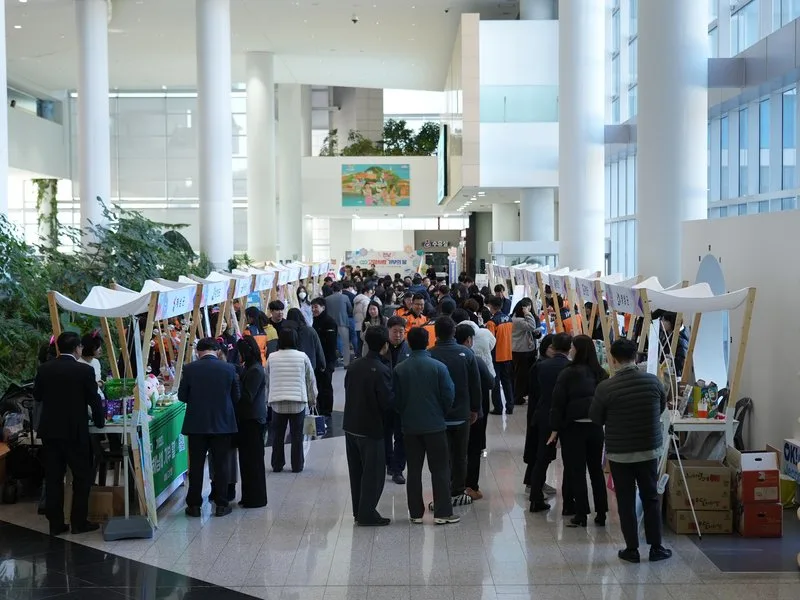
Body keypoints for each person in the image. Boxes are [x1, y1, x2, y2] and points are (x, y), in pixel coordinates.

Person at [590, 339, 671, 564]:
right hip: (648, 450)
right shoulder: (653, 382)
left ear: (613, 359)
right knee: (651, 497)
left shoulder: (605, 387)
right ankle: (656, 547)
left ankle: (632, 549)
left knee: (625, 500)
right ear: (636, 356)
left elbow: (596, 418)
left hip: (620, 453)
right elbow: (661, 407)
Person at [35, 332, 105, 535]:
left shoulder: (44, 369)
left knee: (54, 478)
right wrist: (100, 423)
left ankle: (56, 524)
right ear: (77, 349)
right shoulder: (84, 370)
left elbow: (37, 395)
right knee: (82, 477)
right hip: (75, 432)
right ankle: (78, 522)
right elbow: (94, 400)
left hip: (50, 432)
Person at [393, 327, 459, 525]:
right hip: (435, 425)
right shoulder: (438, 367)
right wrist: (440, 412)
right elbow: (449, 394)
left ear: (409, 343)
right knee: (440, 469)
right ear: (428, 341)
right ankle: (442, 512)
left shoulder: (400, 369)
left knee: (413, 470)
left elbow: (396, 399)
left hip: (410, 426)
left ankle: (415, 512)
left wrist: (405, 413)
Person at [549, 335, 609, 527]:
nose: (571, 350)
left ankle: (581, 513)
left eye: (573, 347)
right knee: (596, 470)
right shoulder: (601, 373)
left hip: (573, 428)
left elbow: (558, 403)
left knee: (577, 470)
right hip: (595, 427)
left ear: (578, 350)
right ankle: (601, 512)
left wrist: (554, 428)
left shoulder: (568, 373)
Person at [179, 337, 240, 518]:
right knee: (221, 465)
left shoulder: (189, 369)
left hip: (196, 425)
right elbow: (236, 396)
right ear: (217, 350)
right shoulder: (229, 368)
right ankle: (221, 504)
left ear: (198, 351)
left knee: (196, 466)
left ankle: (194, 505)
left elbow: (182, 396)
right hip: (223, 424)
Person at [344, 326, 394, 526]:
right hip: (371, 428)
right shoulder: (382, 370)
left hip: (350, 425)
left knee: (356, 472)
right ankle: (367, 514)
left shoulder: (354, 366)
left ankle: (359, 510)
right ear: (385, 345)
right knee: (373, 473)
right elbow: (387, 402)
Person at [429, 316, 481, 506]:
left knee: (440, 457)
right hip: (462, 414)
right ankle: (458, 489)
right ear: (454, 333)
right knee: (460, 455)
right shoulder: (466, 354)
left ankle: (442, 491)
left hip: (438, 416)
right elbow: (475, 384)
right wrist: (475, 408)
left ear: (436, 333)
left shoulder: (430, 355)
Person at [528, 332, 572, 514]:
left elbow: (534, 391)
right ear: (570, 348)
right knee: (570, 459)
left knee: (542, 458)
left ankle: (535, 497)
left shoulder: (541, 366)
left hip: (544, 414)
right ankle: (569, 501)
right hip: (567, 417)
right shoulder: (571, 368)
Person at [265, 329, 318, 473]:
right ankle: (297, 465)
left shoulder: (272, 357)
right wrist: (312, 399)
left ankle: (277, 464)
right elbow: (310, 380)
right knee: (297, 436)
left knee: (278, 436)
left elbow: (267, 381)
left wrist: (267, 400)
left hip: (277, 402)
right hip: (298, 402)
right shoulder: (302, 357)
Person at [455, 324, 494, 500]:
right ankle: (471, 486)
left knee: (454, 451)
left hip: (450, 413)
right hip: (474, 413)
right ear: (469, 340)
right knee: (473, 450)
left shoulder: (440, 357)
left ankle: (453, 485)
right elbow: (491, 383)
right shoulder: (475, 360)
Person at [235, 337, 268, 508]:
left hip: (253, 420)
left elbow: (248, 397)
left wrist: (236, 383)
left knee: (253, 461)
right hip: (247, 419)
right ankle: (248, 495)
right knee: (246, 461)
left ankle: (256, 498)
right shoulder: (249, 368)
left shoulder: (255, 370)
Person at [523, 334, 553, 489]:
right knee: (538, 449)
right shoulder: (540, 366)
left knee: (541, 449)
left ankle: (536, 481)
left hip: (540, 412)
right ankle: (533, 483)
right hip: (538, 413)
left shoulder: (545, 365)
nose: (554, 351)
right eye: (552, 348)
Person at [385, 316, 410, 484]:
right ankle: (388, 462)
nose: (398, 335)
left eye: (401, 331)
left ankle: (398, 469)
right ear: (388, 331)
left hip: (403, 400)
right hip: (385, 399)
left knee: (402, 436)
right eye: (395, 331)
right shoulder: (381, 348)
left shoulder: (409, 349)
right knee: (385, 434)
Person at [486, 296, 515, 415]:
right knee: (507, 382)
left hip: (496, 355)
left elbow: (490, 340)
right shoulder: (509, 319)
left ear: (491, 306)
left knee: (496, 383)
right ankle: (510, 406)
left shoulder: (491, 322)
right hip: (507, 354)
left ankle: (498, 407)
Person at [511, 299, 542, 407]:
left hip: (528, 349)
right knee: (521, 375)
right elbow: (531, 326)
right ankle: (518, 397)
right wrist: (528, 313)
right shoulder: (517, 320)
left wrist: (537, 333)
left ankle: (523, 394)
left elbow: (534, 329)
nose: (529, 310)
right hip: (521, 350)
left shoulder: (526, 318)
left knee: (526, 374)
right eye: (527, 308)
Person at [311, 298, 338, 417]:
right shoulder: (315, 321)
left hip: (327, 360)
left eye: (316, 307)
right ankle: (320, 408)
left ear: (323, 307)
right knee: (318, 385)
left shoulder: (329, 322)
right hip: (318, 360)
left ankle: (327, 410)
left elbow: (331, 345)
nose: (314, 309)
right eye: (312, 307)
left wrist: (327, 363)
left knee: (326, 385)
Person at [286, 307, 325, 372]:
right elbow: (318, 348)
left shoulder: (286, 332)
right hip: (310, 364)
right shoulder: (310, 330)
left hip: (293, 366)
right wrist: (322, 364)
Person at [326, 282, 354, 367]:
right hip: (343, 322)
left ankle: (333, 362)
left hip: (330, 324)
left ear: (332, 289)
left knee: (331, 344)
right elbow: (350, 309)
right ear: (341, 289)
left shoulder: (326, 299)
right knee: (345, 344)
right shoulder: (345, 297)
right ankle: (346, 363)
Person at [655, 310, 689, 377]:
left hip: (673, 376)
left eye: (665, 320)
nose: (662, 322)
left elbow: (682, 363)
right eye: (662, 320)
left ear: (671, 322)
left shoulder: (679, 340)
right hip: (663, 373)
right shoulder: (665, 336)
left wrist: (672, 360)